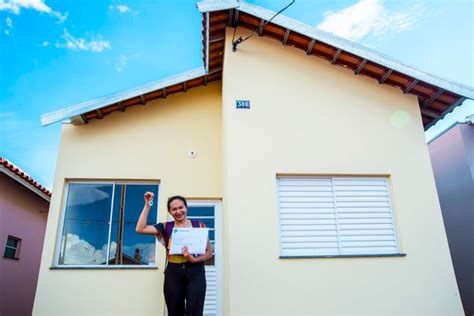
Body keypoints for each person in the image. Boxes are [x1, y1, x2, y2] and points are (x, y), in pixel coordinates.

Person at [136, 192, 212, 316]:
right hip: (173, 272)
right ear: (170, 212)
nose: (178, 211)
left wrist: (194, 260)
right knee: (175, 311)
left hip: (196, 272)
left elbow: (209, 253)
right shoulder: (164, 227)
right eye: (174, 209)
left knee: (195, 312)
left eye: (181, 207)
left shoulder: (199, 225)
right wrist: (148, 205)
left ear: (186, 208)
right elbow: (140, 228)